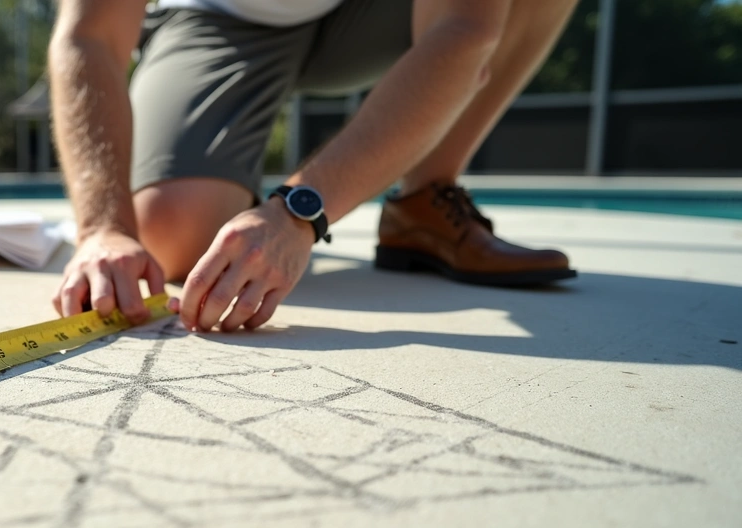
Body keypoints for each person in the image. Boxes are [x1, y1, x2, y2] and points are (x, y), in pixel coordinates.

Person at [48, 0, 579, 332]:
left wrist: (298, 215)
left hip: (378, 13)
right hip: (221, 16)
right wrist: (103, 228)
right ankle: (228, 202)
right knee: (172, 238)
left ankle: (426, 197)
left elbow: (465, 29)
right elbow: (88, 34)